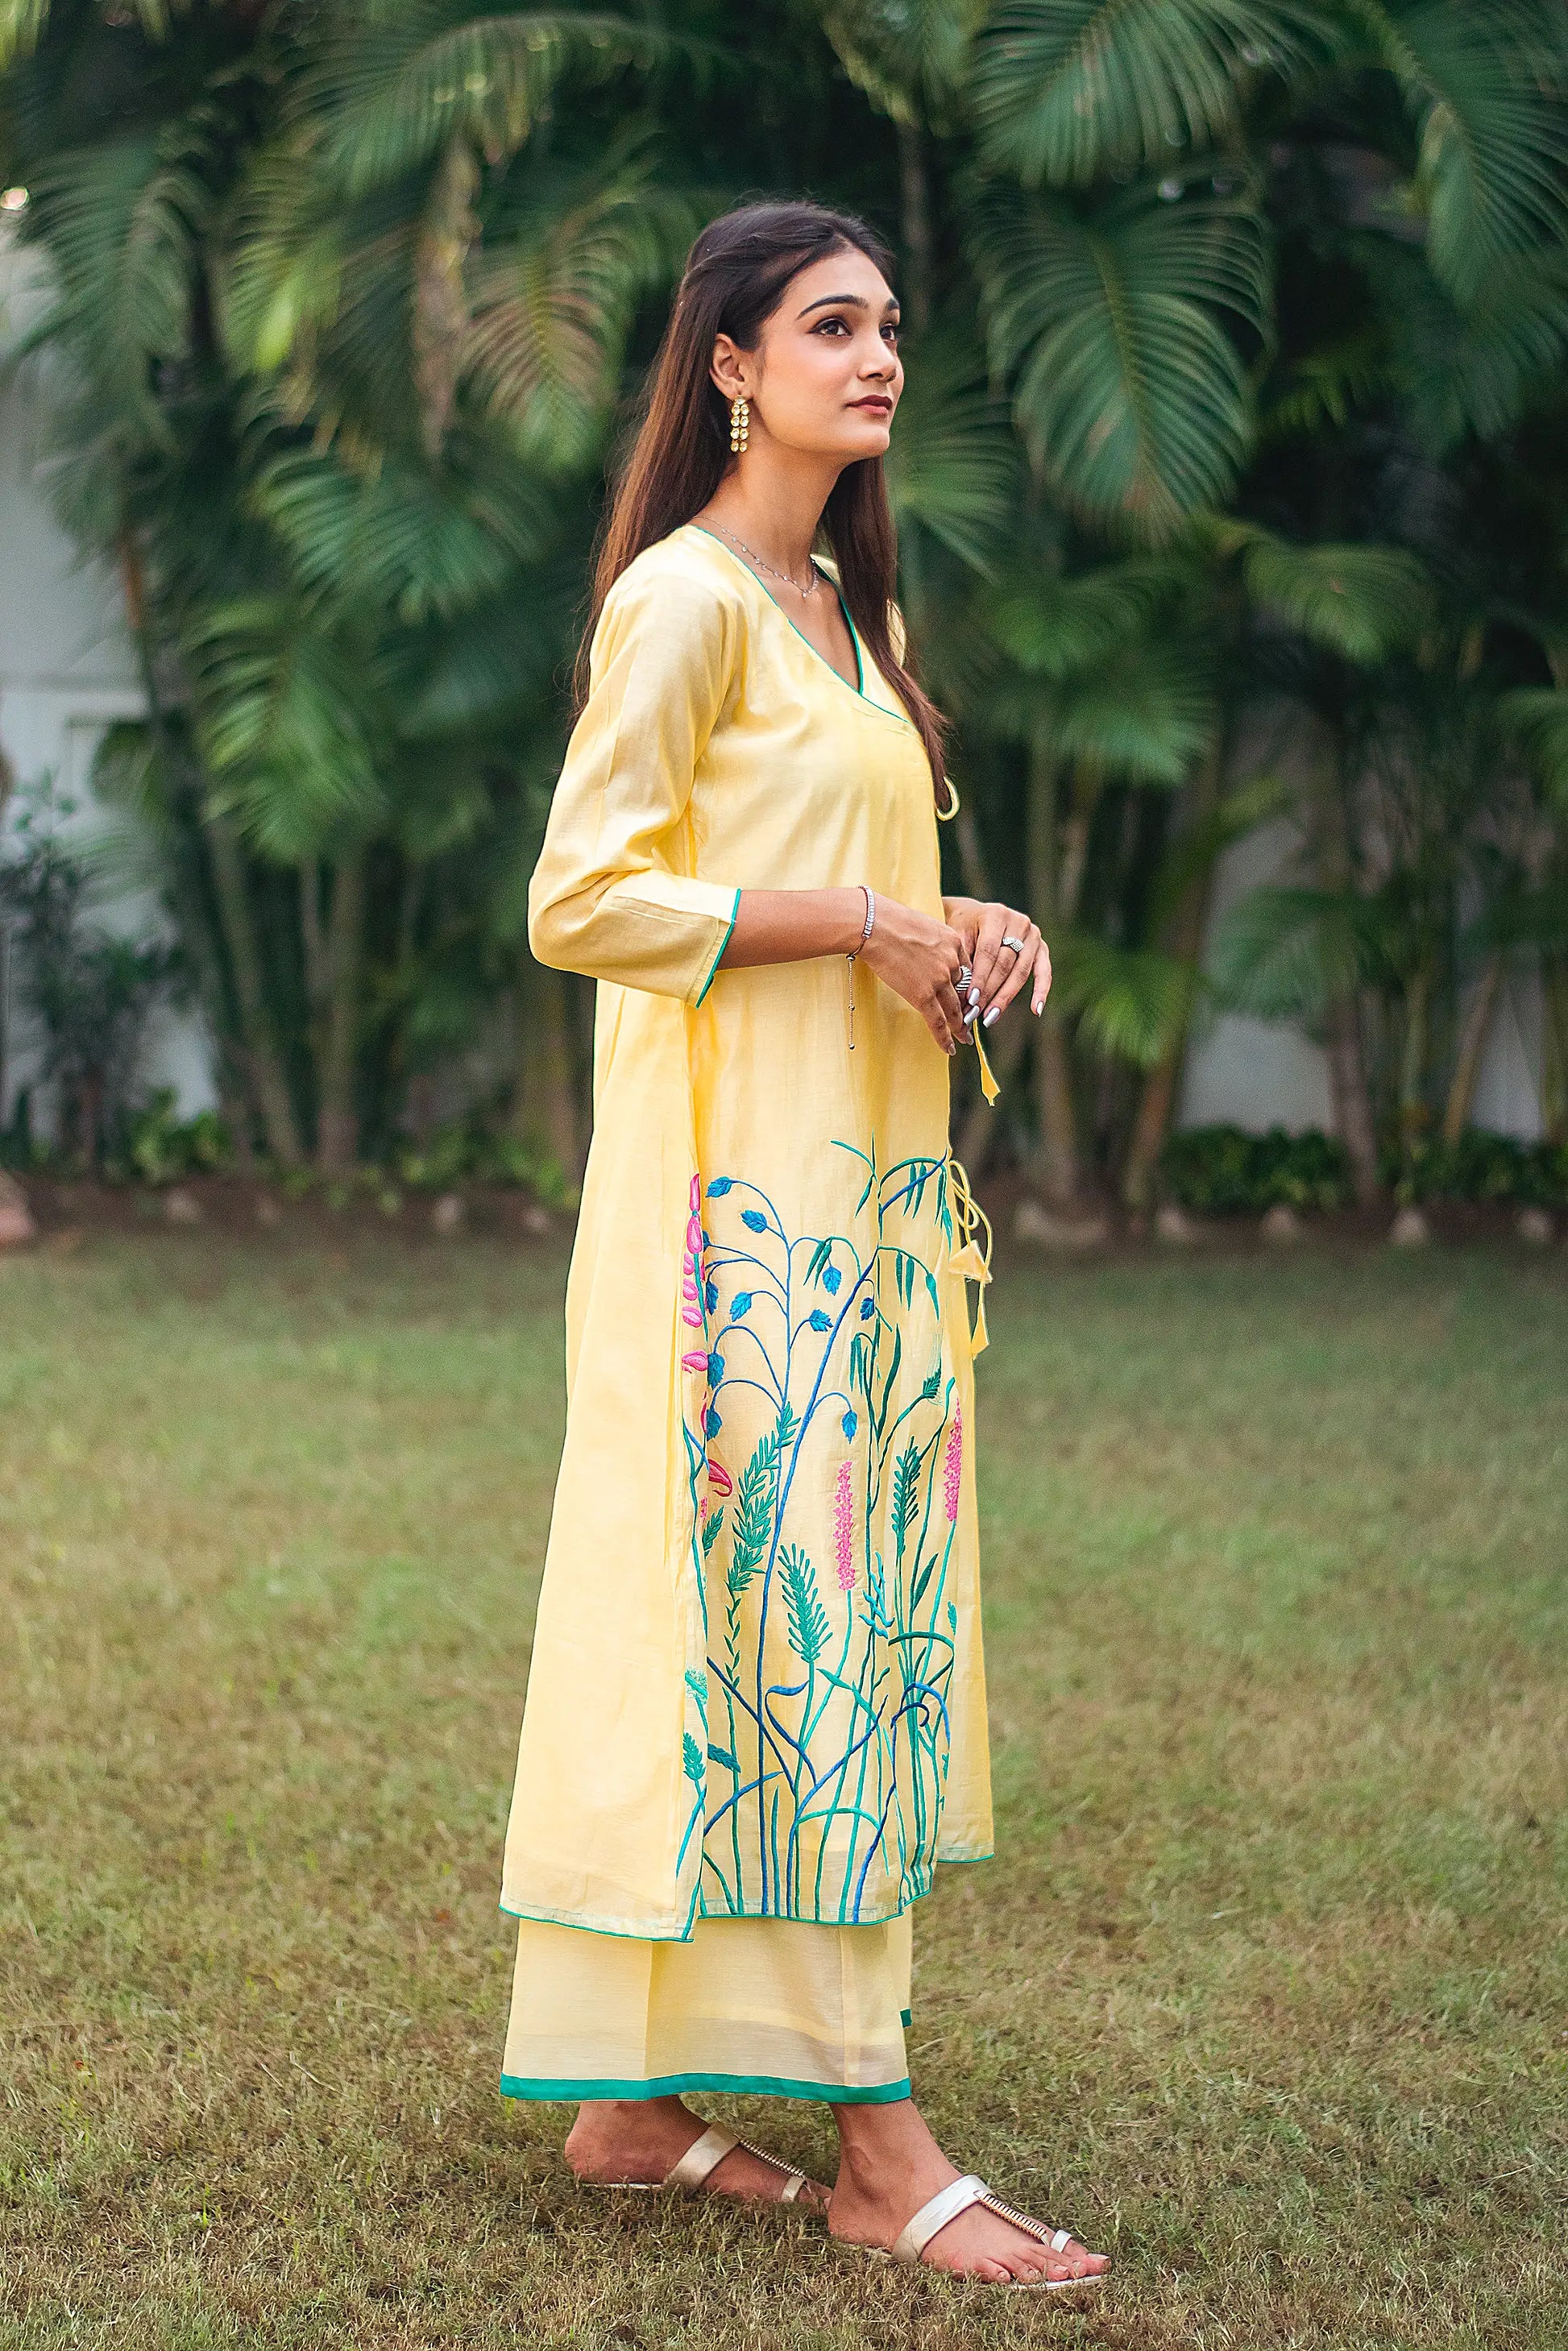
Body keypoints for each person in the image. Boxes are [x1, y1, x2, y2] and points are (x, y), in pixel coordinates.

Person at [497, 198, 1110, 2291]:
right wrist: (858, 920)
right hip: (725, 1233)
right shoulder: (683, 602)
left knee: (822, 1635)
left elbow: (852, 896)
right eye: (830, 325)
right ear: (729, 365)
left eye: (890, 327)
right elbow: (583, 897)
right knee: (789, 1636)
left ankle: (634, 2104)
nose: (877, 357)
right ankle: (874, 2142)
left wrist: (956, 934)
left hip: (865, 1207)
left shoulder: (855, 619)